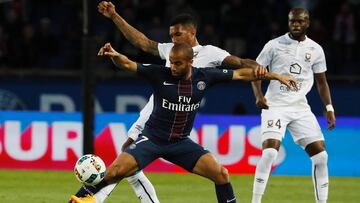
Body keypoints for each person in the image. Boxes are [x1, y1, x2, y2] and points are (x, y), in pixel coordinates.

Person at [74, 1, 267, 203]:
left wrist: (262, 78)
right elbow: (141, 42)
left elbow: (244, 65)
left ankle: (90, 199)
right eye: (171, 35)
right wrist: (114, 16)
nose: (172, 39)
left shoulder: (211, 53)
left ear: (192, 33)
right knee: (124, 165)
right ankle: (92, 199)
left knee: (123, 167)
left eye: (177, 34)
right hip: (151, 116)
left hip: (172, 123)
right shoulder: (169, 49)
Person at [70, 42, 297, 203]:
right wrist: (114, 54)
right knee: (114, 172)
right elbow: (129, 64)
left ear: (191, 61)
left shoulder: (205, 77)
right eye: (171, 62)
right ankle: (77, 201)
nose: (173, 67)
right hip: (152, 139)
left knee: (221, 175)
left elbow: (243, 75)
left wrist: (276, 76)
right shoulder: (160, 74)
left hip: (181, 143)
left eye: (178, 63)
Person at [251, 8, 336, 203]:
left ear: (308, 23)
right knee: (270, 152)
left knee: (321, 157)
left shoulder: (316, 49)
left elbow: (322, 82)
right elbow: (255, 71)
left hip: (300, 108)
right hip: (275, 106)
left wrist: (329, 108)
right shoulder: (274, 45)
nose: (296, 25)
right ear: (288, 22)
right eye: (292, 22)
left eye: (300, 21)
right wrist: (259, 95)